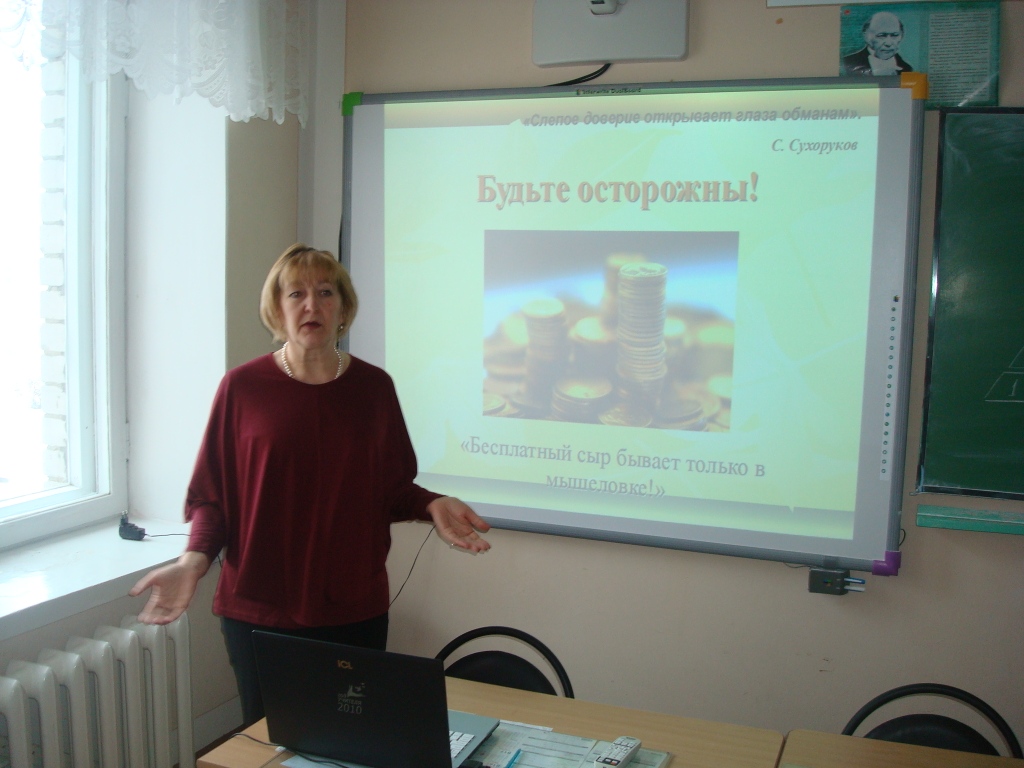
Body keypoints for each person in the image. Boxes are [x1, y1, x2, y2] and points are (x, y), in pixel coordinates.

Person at [129, 243, 491, 726]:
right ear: (277, 309)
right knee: (270, 743)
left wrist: (432, 504)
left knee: (352, 739)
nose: (311, 305)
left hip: (354, 610)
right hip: (259, 611)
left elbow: (390, 489)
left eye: (325, 292)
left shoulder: (374, 388)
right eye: (296, 293)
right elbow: (213, 497)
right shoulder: (242, 388)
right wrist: (193, 561)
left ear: (343, 307)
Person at [842, 11, 913, 77]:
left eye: (895, 35)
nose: (888, 43)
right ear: (866, 36)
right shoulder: (846, 63)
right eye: (882, 36)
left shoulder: (907, 68)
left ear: (902, 35)